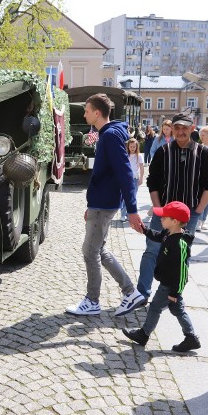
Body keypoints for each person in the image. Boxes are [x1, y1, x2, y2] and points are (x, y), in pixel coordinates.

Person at [65, 93, 146, 318]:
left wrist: (132, 211)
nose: (84, 114)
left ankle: (92, 301)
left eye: (87, 111)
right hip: (100, 203)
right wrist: (92, 205)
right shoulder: (110, 133)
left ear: (97, 113)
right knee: (98, 249)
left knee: (90, 251)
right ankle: (130, 292)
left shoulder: (110, 136)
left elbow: (125, 173)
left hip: (104, 204)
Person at [136, 113, 208, 300]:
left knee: (180, 255)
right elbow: (153, 182)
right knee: (152, 251)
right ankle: (142, 293)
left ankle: (173, 293)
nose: (180, 131)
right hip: (163, 213)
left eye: (184, 128)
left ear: (192, 129)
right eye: (177, 128)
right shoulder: (163, 152)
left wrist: (198, 210)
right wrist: (158, 208)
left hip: (188, 215)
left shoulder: (202, 153)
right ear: (172, 129)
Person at [122, 201, 201, 352]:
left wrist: (175, 292)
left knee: (155, 307)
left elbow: (182, 271)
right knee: (178, 309)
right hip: (167, 283)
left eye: (164, 217)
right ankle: (191, 337)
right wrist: (144, 230)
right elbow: (157, 236)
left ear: (175, 221)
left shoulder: (180, 244)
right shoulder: (169, 233)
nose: (161, 219)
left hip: (170, 285)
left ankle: (144, 334)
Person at [120, 138, 144, 222]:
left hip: (135, 179)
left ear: (136, 147)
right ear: (128, 147)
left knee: (132, 197)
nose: (132, 148)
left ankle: (130, 213)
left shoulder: (139, 156)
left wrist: (141, 178)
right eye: (131, 146)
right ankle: (123, 214)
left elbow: (141, 168)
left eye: (134, 147)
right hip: (126, 178)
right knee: (125, 197)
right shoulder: (126, 155)